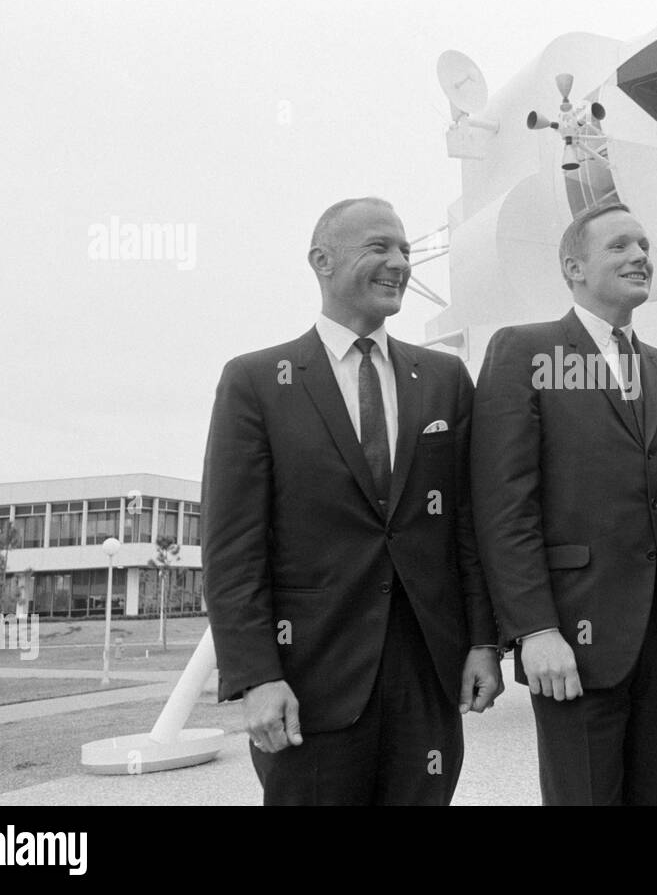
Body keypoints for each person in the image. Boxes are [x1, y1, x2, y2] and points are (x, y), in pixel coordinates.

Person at [202, 196, 502, 806]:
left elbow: (468, 529)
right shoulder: (256, 382)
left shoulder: (444, 379)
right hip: (309, 683)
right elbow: (232, 550)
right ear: (321, 260)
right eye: (379, 248)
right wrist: (257, 677)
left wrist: (484, 642)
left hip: (426, 679)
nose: (399, 263)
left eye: (406, 251)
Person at [471, 201, 657, 805]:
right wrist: (533, 629)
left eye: (644, 245)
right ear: (573, 266)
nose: (640, 256)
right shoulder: (523, 352)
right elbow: (503, 507)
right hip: (571, 641)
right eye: (620, 246)